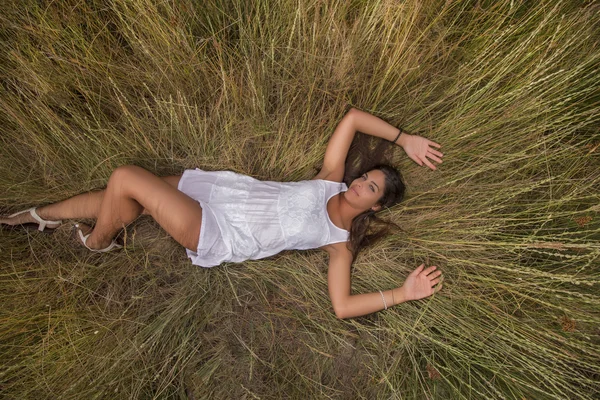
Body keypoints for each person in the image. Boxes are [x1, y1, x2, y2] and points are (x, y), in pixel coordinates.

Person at [1, 108, 444, 319]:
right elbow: (350, 120)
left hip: (219, 230)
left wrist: (402, 294)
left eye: (369, 188)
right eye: (362, 177)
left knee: (126, 179)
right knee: (118, 197)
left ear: (377, 205)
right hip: (219, 191)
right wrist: (403, 139)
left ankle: (98, 242)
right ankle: (35, 216)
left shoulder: (337, 243)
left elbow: (343, 306)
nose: (357, 184)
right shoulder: (330, 177)